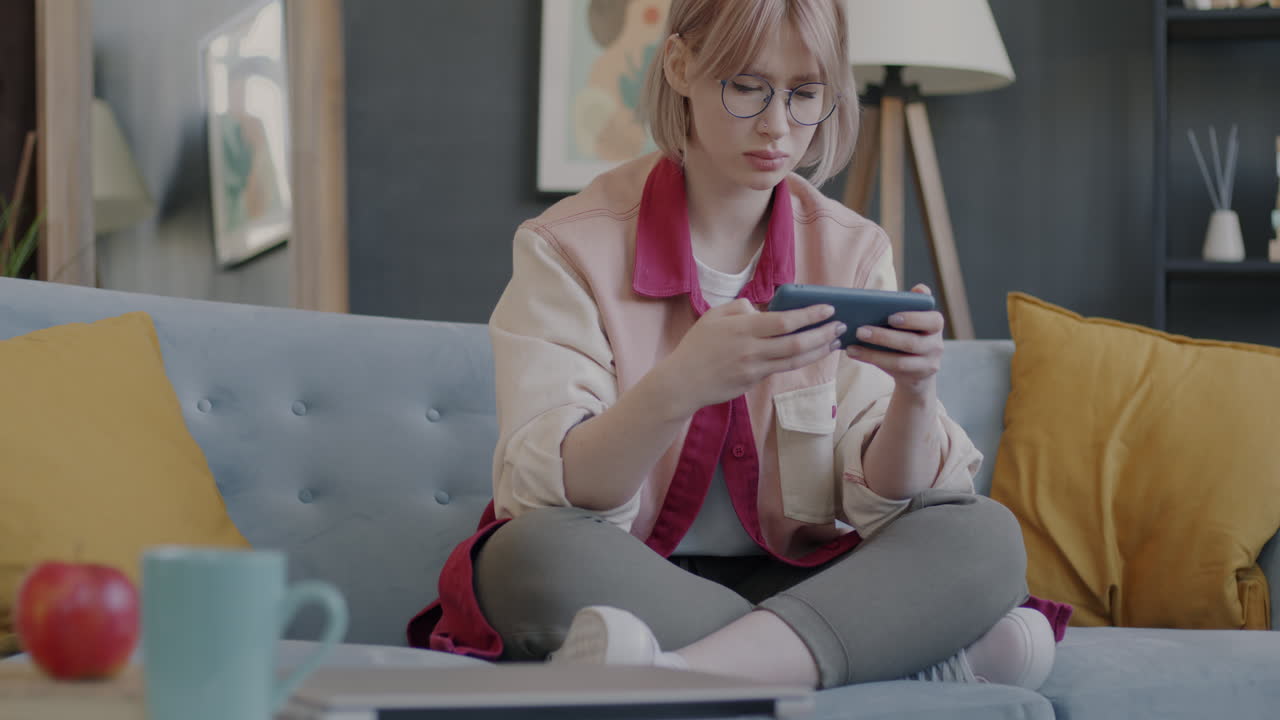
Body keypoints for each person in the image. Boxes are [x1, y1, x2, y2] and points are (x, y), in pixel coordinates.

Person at [408, 0, 1068, 691]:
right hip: (637, 579)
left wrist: (915, 393)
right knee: (524, 556)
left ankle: (690, 673)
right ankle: (882, 657)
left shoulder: (852, 249)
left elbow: (889, 497)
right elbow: (561, 492)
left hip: (802, 575)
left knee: (982, 535)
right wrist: (680, 384)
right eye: (748, 87)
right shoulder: (567, 246)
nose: (778, 126)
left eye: (805, 94)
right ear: (681, 65)